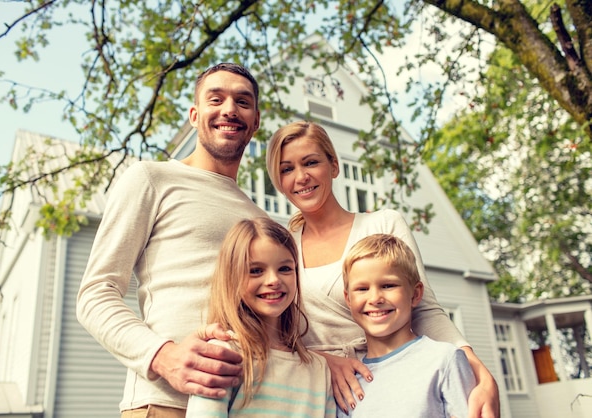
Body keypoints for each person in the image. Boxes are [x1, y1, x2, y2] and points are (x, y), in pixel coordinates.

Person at [265, 120, 500, 417]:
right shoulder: (284, 247)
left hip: (389, 377)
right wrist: (324, 361)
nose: (301, 177)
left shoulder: (382, 224)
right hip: (315, 389)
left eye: (311, 162)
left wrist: (479, 372)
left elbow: (425, 310)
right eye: (287, 169)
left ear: (334, 166)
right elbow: (278, 332)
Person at [76, 63, 269, 418]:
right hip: (164, 404)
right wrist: (164, 356)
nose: (229, 109)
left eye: (243, 102)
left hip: (247, 407)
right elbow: (95, 294)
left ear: (255, 121)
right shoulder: (152, 178)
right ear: (195, 115)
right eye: (216, 99)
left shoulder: (262, 220)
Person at [186, 217, 335, 417]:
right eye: (256, 271)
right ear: (232, 278)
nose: (273, 280)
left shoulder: (319, 369)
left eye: (284, 268)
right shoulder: (222, 355)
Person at [338, 233, 476, 417]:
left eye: (388, 286)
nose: (375, 299)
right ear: (348, 299)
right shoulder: (348, 382)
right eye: (362, 289)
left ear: (415, 294)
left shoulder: (445, 360)